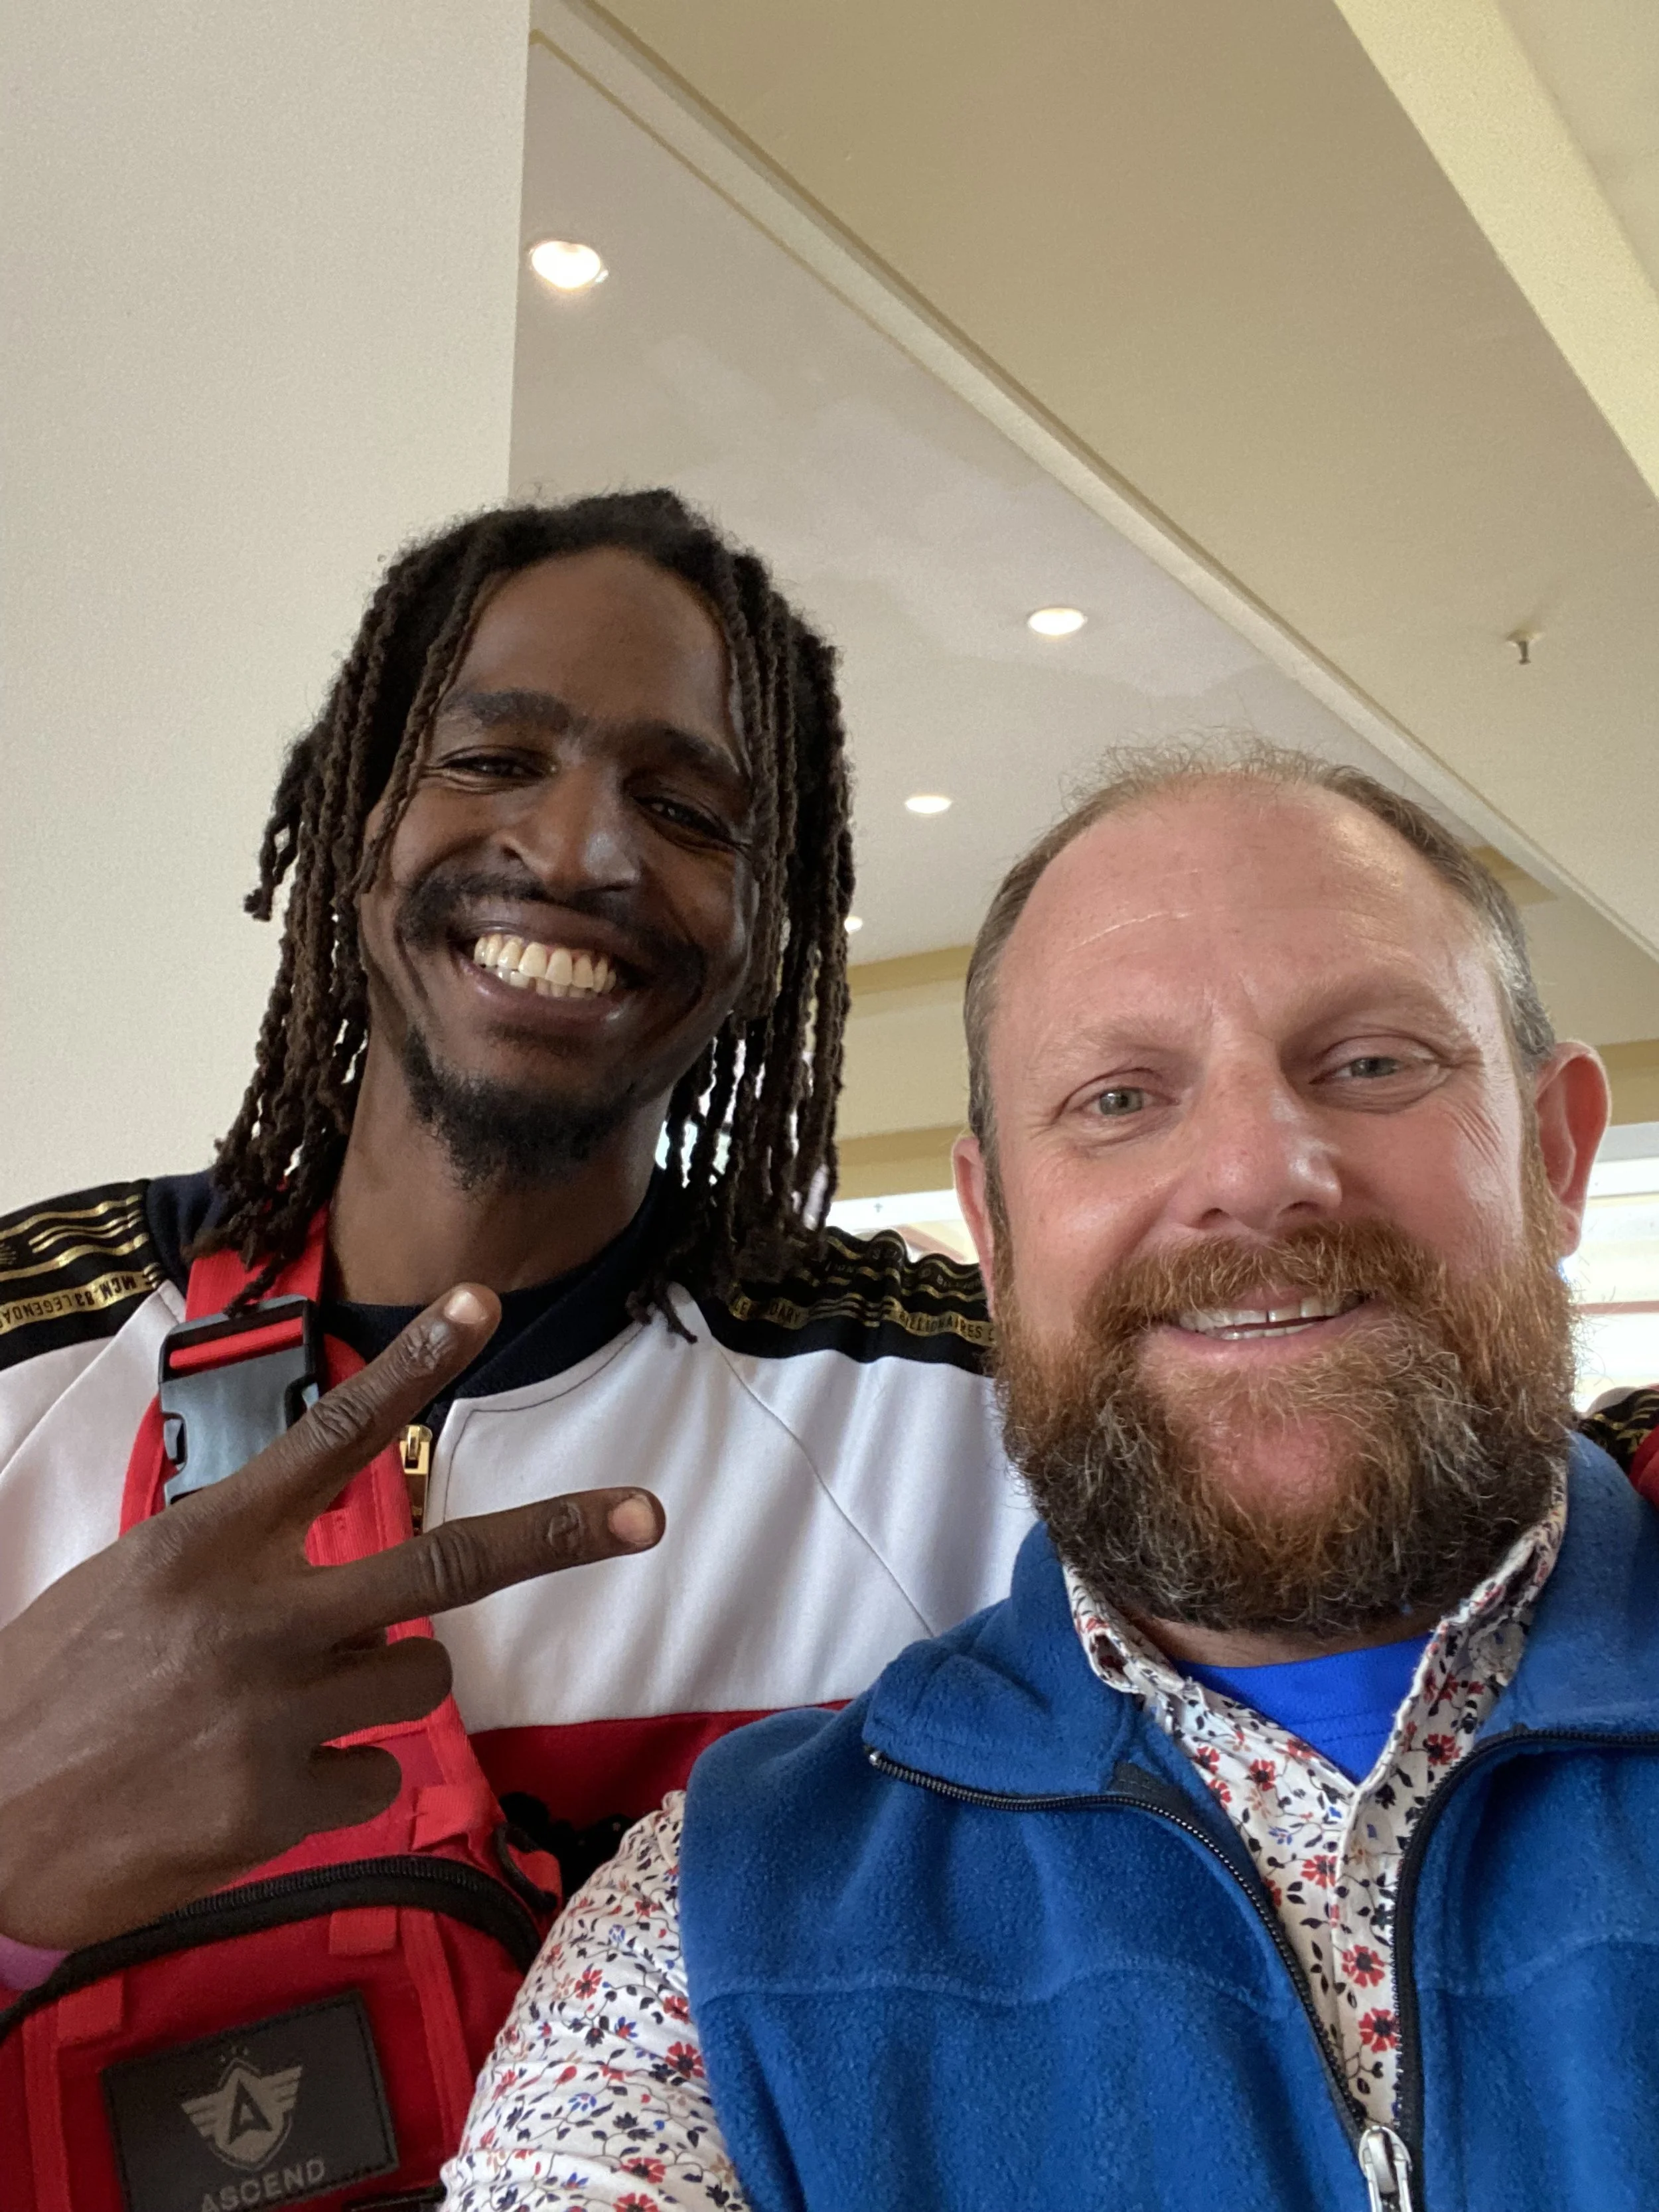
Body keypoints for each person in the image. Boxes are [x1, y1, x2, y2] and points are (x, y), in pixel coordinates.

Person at [445, 743, 1659, 2212]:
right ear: (996, 1230)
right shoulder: (709, 1935)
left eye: (1369, 1064)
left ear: (1552, 1152)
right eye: (1117, 1097)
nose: (1255, 1169)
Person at [0, 493, 1026, 2199]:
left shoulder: (956, 1416)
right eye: (490, 760)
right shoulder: (30, 1354)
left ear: (769, 927)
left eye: (685, 806)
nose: (577, 850)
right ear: (352, 818)